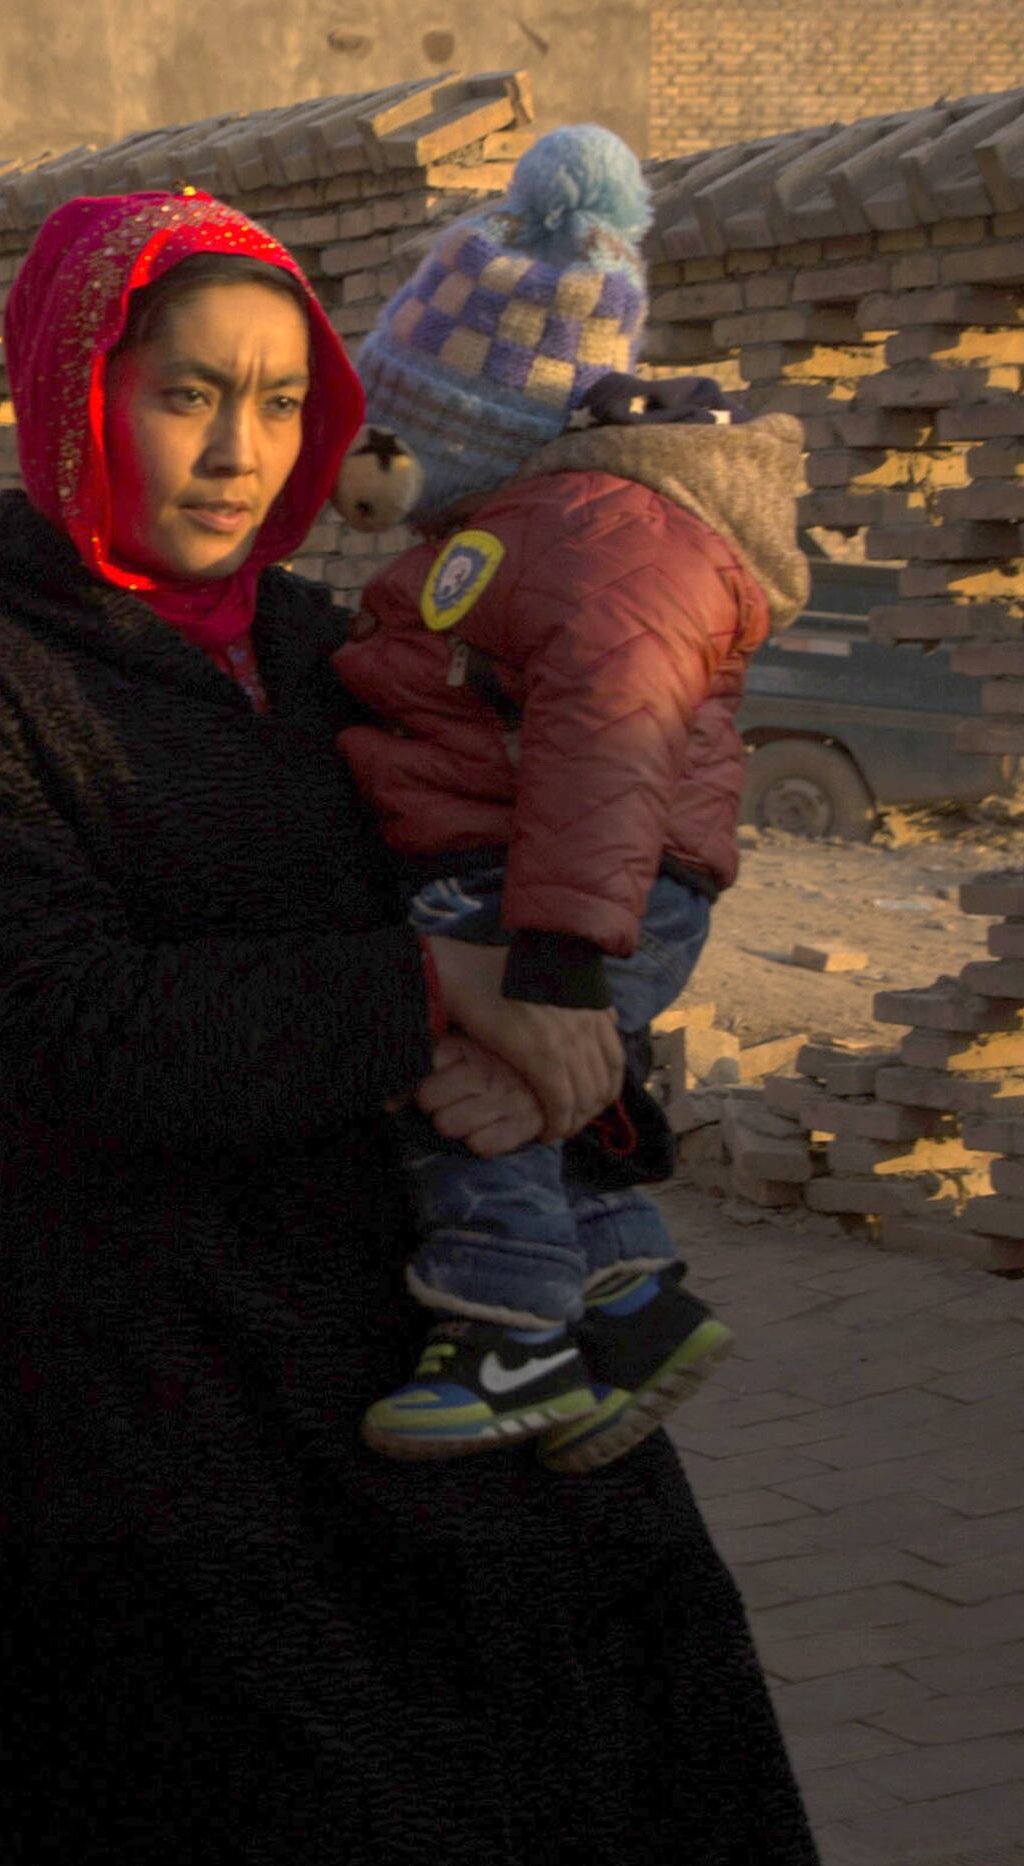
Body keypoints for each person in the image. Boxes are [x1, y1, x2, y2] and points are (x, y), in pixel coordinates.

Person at [0, 190, 840, 1866]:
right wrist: (435, 992)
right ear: (76, 393)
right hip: (190, 1422)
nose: (239, 451)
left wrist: (581, 1049)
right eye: (188, 395)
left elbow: (554, 855)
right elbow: (71, 1030)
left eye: (285, 401)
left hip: (457, 1373)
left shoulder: (354, 639)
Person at [325, 126, 805, 1469]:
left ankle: (511, 1330)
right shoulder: (533, 529)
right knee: (525, 1085)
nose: (367, 468)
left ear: (478, 427)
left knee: (457, 1078)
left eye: (395, 432)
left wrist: (554, 958)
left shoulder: (599, 538)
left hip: (565, 887)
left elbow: (610, 744)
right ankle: (630, 1301)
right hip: (544, 875)